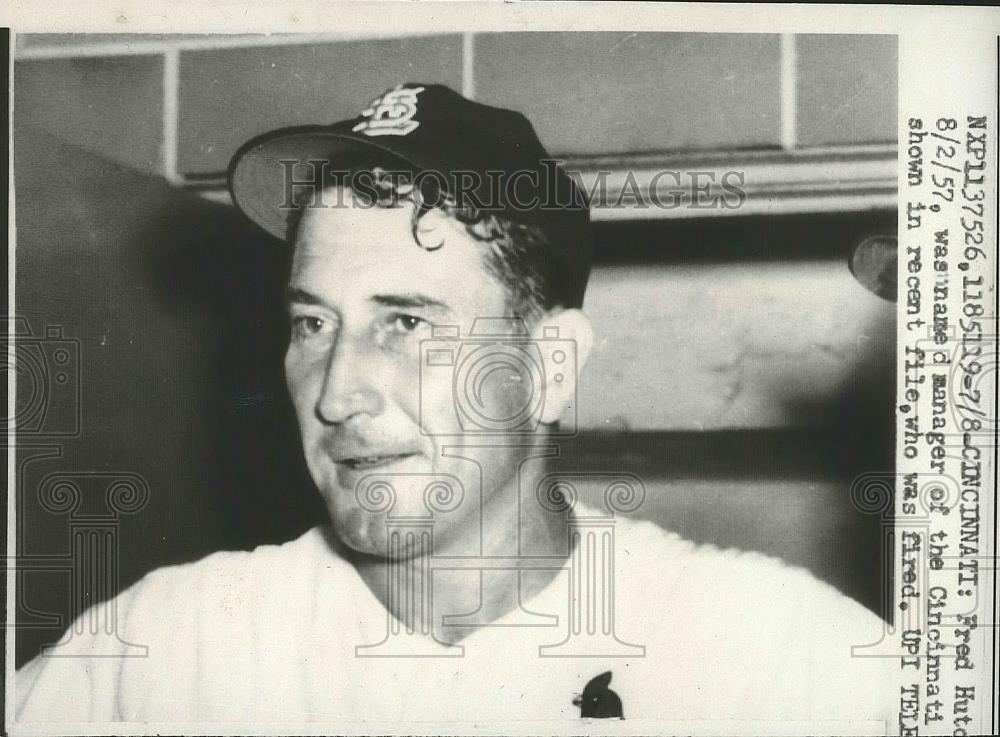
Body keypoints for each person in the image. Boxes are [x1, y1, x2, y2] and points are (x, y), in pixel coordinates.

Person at [15, 83, 895, 732]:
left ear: (549, 365)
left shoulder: (777, 658)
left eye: (404, 320)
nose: (335, 389)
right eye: (312, 323)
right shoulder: (164, 651)